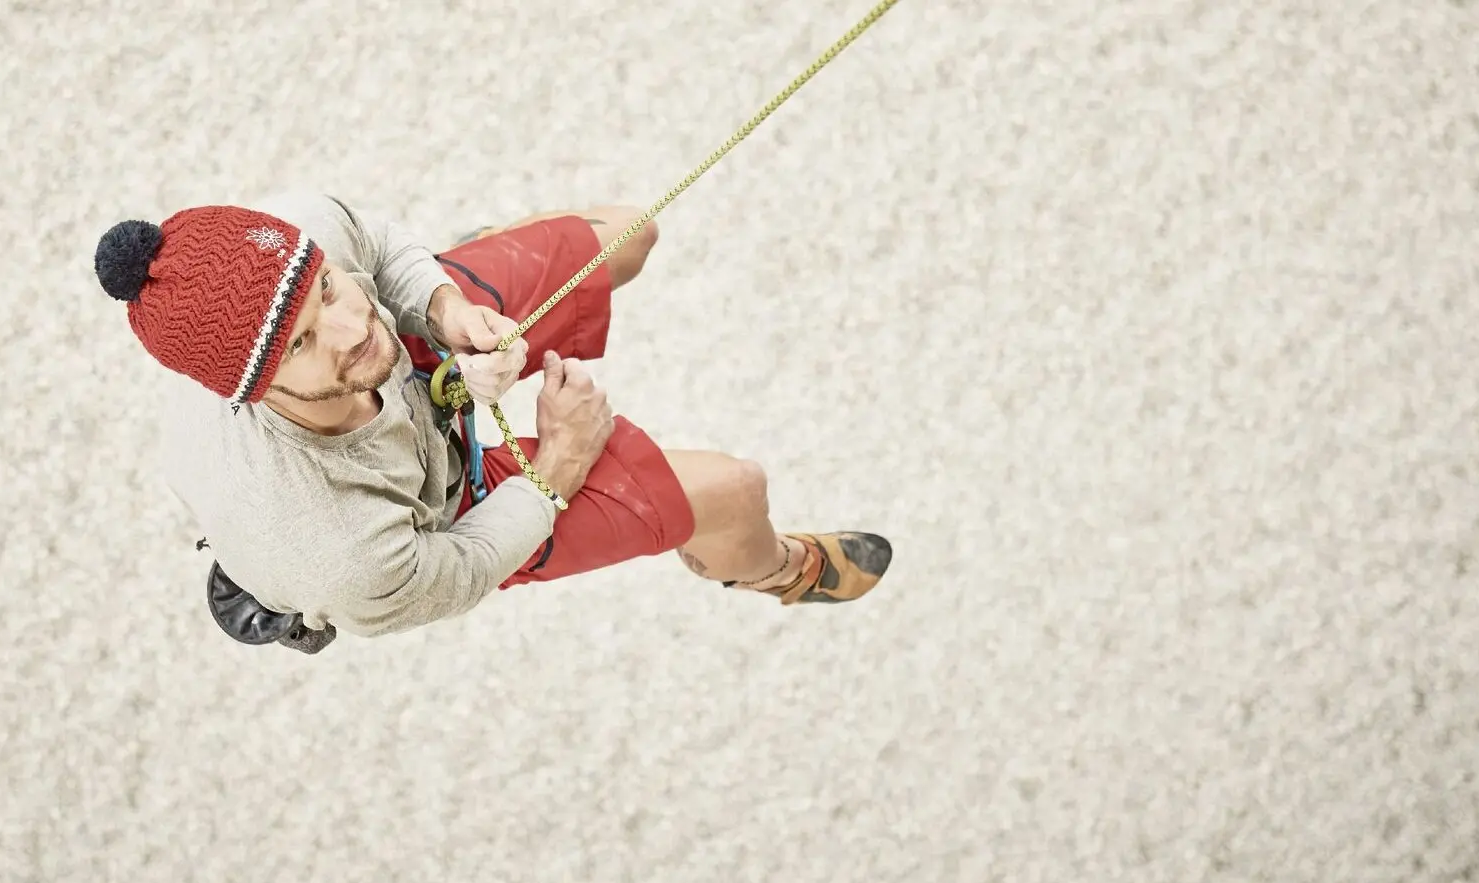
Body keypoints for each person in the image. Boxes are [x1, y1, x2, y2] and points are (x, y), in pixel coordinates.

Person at [92, 191, 893, 642]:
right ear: (251, 392)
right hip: (441, 513)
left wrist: (444, 305)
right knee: (732, 491)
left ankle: (462, 275)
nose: (352, 327)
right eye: (303, 341)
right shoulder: (343, 555)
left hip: (424, 354)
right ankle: (772, 569)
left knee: (626, 236)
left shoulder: (297, 246)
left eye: (329, 289)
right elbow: (467, 567)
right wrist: (561, 466)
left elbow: (364, 238)